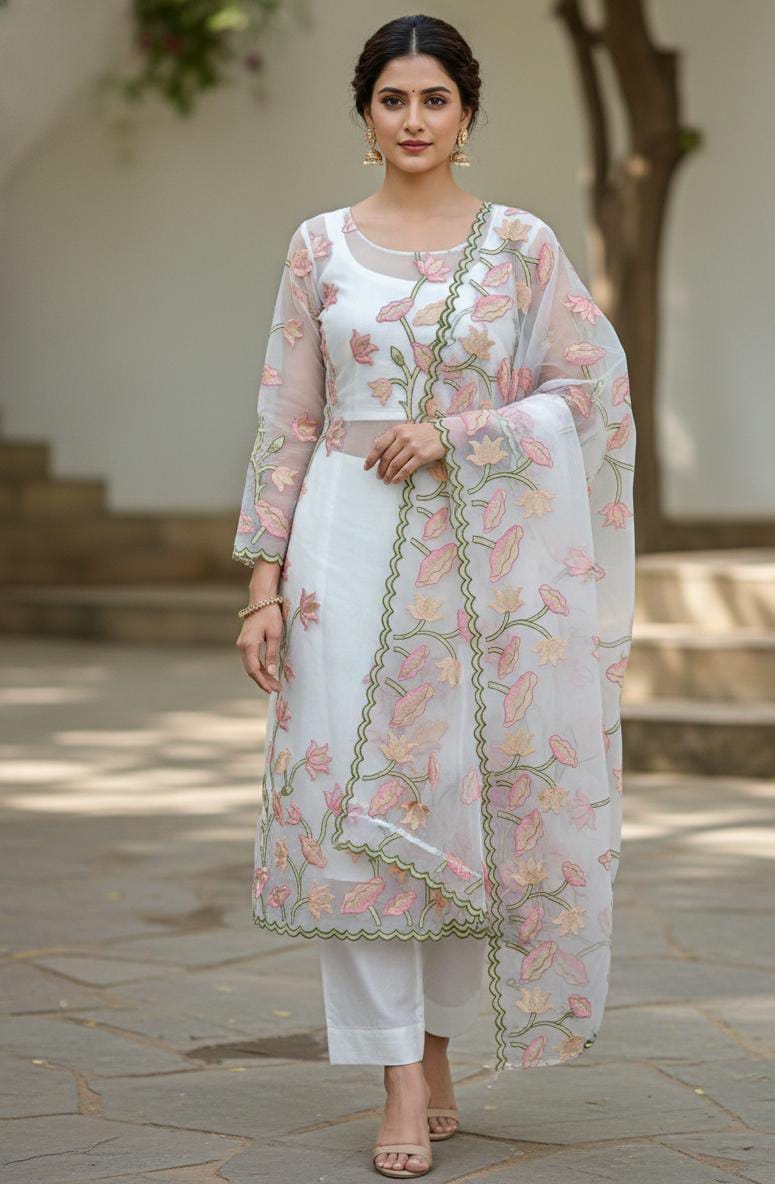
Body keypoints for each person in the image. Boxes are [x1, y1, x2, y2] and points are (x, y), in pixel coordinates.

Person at [232, 13, 636, 1179]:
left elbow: (590, 389)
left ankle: (440, 1044)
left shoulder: (517, 247)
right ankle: (397, 1075)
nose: (413, 120)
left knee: (462, 797)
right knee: (350, 800)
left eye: (434, 99)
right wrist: (261, 584)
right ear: (366, 113)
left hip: (479, 561)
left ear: (466, 113)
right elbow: (287, 417)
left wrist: (460, 433)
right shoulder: (319, 246)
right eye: (392, 99)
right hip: (341, 555)